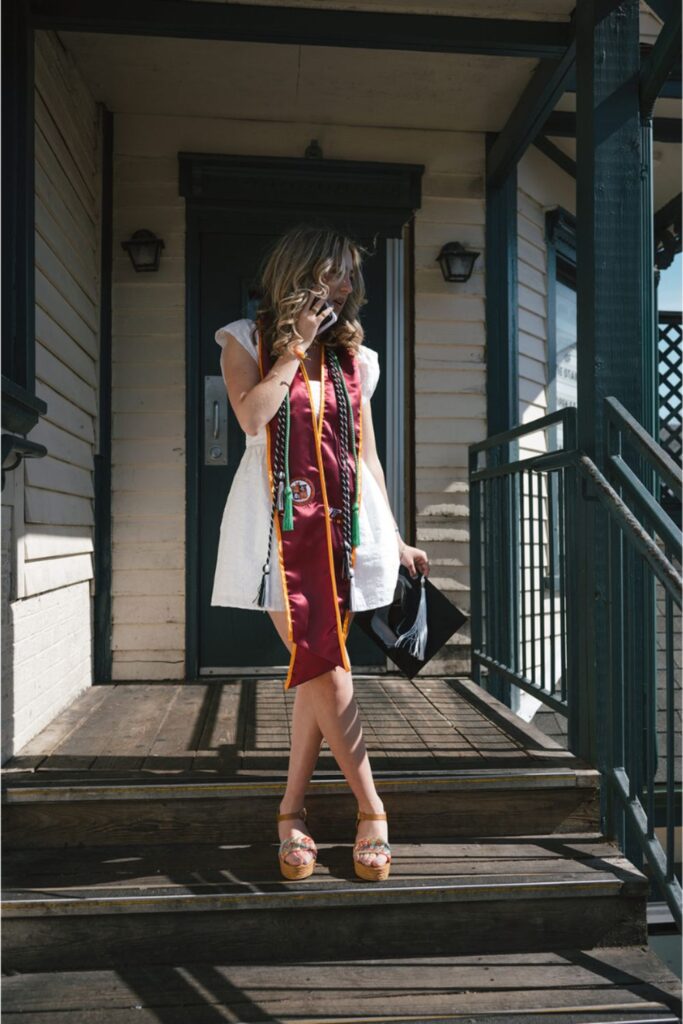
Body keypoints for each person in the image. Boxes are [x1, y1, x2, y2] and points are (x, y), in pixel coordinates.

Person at [211, 224, 430, 882]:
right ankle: (372, 811)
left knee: (316, 671)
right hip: (274, 531)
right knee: (326, 669)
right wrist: (293, 349)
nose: (344, 286)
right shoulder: (241, 339)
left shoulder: (357, 361)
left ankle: (291, 813)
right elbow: (253, 418)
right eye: (333, 272)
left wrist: (392, 533)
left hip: (350, 527)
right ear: (298, 271)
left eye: (349, 276)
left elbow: (365, 454)